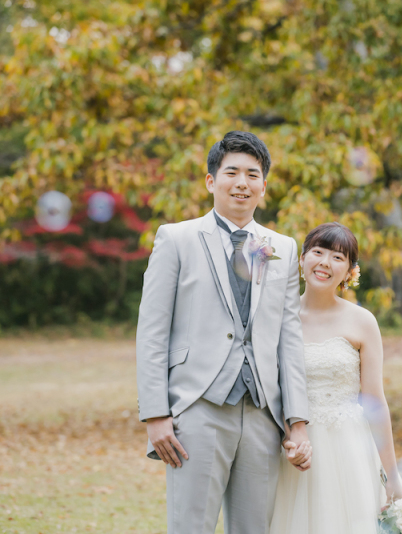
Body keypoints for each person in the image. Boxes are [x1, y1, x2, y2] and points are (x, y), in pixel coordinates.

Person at [136, 130, 312, 534]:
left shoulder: (280, 247)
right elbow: (152, 332)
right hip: (197, 408)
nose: (242, 182)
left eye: (253, 174)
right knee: (190, 526)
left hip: (264, 413)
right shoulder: (176, 238)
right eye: (231, 172)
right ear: (211, 181)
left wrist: (297, 419)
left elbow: (289, 337)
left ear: (263, 187)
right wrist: (157, 414)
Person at [270, 222, 402, 534]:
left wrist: (393, 474)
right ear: (302, 259)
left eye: (338, 257)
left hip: (349, 448)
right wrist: (287, 435)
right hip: (291, 448)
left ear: (349, 272)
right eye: (317, 252)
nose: (325, 263)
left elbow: (375, 401)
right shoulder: (276, 316)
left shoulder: (362, 322)